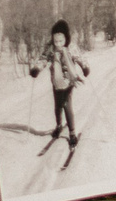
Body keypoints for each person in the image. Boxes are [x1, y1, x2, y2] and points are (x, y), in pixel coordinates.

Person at [30, 19, 88, 165]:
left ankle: (72, 133)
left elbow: (80, 58)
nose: (58, 44)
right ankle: (58, 125)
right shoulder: (50, 48)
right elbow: (43, 59)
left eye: (60, 40)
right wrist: (37, 69)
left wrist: (84, 67)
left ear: (66, 38)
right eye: (55, 41)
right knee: (57, 106)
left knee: (66, 105)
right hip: (56, 83)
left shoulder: (71, 47)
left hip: (69, 81)